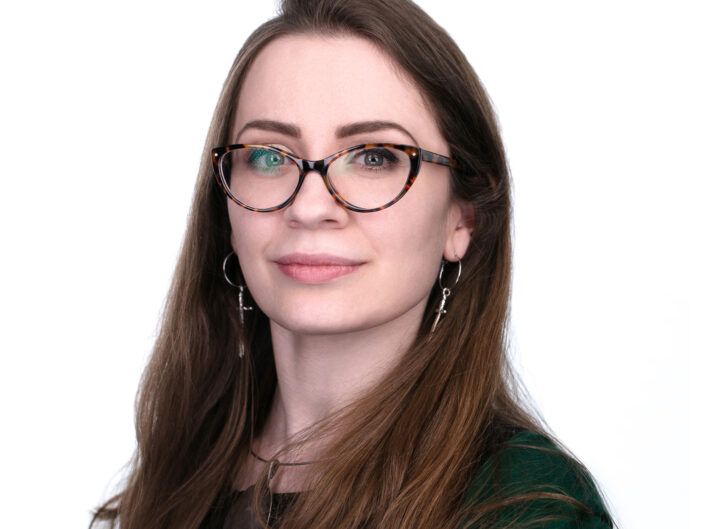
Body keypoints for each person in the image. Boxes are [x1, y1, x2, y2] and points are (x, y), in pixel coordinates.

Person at [91, 0, 614, 528]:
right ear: (226, 211)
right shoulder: (177, 477)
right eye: (270, 156)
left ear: (463, 219)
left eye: (374, 157)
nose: (310, 207)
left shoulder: (525, 505)